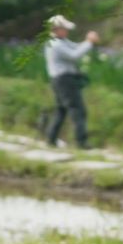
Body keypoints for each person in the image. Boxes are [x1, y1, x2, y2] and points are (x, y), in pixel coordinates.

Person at [43, 15, 99, 148]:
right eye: (64, 28)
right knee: (78, 110)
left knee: (61, 110)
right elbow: (74, 55)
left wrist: (87, 41)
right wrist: (90, 42)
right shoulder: (56, 45)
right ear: (56, 29)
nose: (67, 31)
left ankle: (51, 139)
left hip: (59, 80)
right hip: (64, 80)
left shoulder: (60, 41)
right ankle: (81, 142)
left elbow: (75, 46)